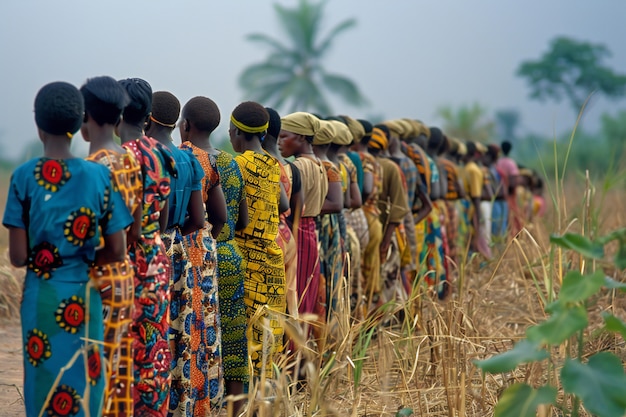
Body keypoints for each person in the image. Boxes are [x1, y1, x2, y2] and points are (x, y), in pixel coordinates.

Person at [3, 81, 132, 417]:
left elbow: (17, 258)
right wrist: (85, 258)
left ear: (37, 123)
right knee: (84, 384)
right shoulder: (97, 176)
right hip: (83, 295)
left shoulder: (22, 177)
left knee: (43, 381)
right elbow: (117, 249)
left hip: (41, 296)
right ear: (79, 124)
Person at [81, 76, 143, 417]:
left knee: (91, 374)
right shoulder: (129, 159)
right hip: (123, 278)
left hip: (95, 282)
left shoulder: (91, 169)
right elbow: (134, 226)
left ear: (84, 116)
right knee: (118, 372)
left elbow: (88, 239)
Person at [145, 91, 208, 416]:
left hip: (150, 253)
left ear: (145, 118)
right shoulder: (189, 159)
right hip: (181, 251)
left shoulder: (146, 157)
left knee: (151, 329)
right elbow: (198, 219)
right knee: (179, 331)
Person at [117, 77, 177, 417]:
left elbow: (119, 225)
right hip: (157, 257)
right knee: (154, 345)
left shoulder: (120, 159)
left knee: (126, 346)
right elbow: (164, 219)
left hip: (128, 260)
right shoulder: (161, 153)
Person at [179, 96, 230, 413]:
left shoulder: (183, 156)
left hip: (185, 245)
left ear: (185, 125)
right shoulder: (214, 161)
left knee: (186, 325)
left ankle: (185, 401)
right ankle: (206, 402)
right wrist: (210, 237)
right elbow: (221, 215)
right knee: (206, 326)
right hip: (207, 245)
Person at [230, 101, 286, 379]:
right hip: (272, 257)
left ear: (237, 133)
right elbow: (282, 204)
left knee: (246, 327)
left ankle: (248, 397)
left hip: (246, 256)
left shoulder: (237, 164)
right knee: (267, 329)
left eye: (231, 132)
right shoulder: (273, 164)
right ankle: (268, 394)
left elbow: (239, 220)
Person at [278, 112, 328, 320]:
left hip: (298, 231)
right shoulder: (319, 164)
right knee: (306, 295)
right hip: (310, 232)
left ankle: (294, 350)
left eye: (284, 136)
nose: (279, 142)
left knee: (296, 295)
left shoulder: (299, 167)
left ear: (301, 137)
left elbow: (293, 205)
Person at [263, 107, 302, 319]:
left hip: (268, 237)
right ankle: (296, 351)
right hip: (288, 235)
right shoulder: (292, 168)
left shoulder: (259, 165)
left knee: (268, 304)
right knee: (290, 300)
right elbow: (297, 210)